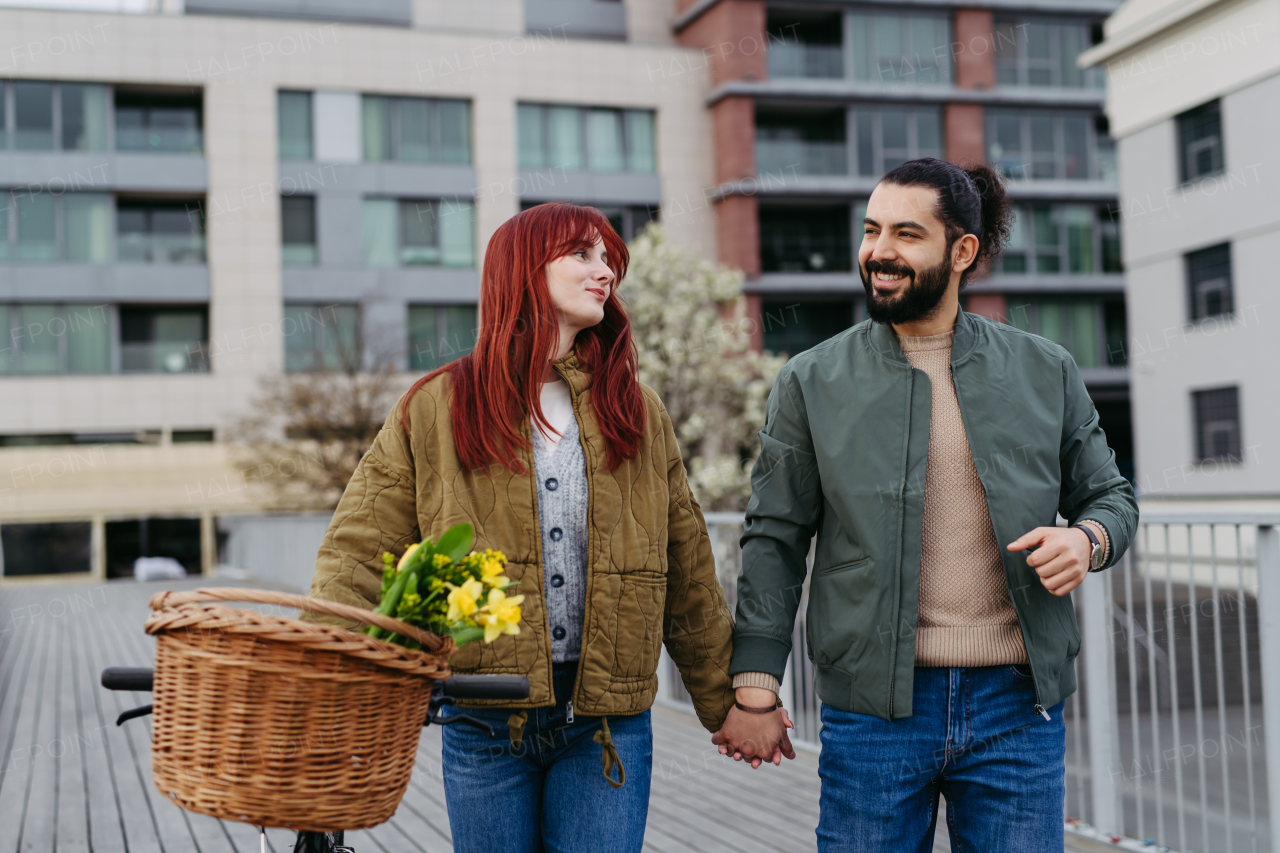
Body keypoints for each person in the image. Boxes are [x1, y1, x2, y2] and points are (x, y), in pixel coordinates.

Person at [713, 159, 1138, 851]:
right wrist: (756, 681)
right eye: (872, 230)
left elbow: (1110, 496)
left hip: (1016, 706)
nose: (879, 250)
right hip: (874, 709)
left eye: (906, 234)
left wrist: (1087, 539)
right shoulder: (812, 380)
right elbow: (775, 537)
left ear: (962, 250)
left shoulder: (1044, 368)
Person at [305, 203, 744, 852]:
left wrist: (728, 700)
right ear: (524, 270)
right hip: (483, 717)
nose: (605, 273)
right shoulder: (437, 406)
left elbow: (686, 569)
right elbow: (358, 554)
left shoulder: (637, 409)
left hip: (606, 722)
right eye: (583, 255)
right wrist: (322, 694)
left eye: (608, 259)